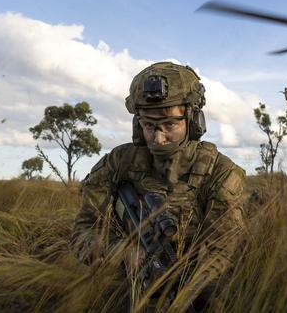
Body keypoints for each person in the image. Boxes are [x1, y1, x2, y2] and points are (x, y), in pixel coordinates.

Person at [70, 61, 248, 309]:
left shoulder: (221, 173)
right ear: (137, 124)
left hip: (194, 288)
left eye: (169, 125)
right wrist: (122, 252)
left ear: (194, 121)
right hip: (126, 283)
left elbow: (223, 254)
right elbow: (83, 231)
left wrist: (180, 295)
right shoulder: (118, 163)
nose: (158, 137)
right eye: (149, 125)